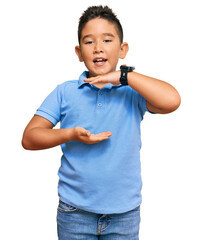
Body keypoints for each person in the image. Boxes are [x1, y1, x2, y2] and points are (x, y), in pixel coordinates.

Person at [22, 5, 181, 240]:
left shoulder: (132, 92)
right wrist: (70, 134)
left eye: (107, 40)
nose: (98, 48)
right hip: (74, 212)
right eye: (89, 42)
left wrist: (124, 77)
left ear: (122, 49)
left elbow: (172, 100)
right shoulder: (65, 92)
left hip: (124, 214)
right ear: (78, 52)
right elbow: (30, 138)